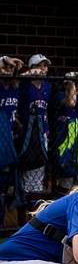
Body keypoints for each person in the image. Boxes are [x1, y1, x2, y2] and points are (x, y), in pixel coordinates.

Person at [18, 55, 52, 213]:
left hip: (42, 133)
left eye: (45, 66)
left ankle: (34, 209)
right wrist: (30, 72)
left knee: (39, 171)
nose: (43, 69)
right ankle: (23, 209)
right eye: (40, 66)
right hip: (27, 134)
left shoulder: (47, 86)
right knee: (26, 171)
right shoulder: (24, 85)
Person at [0, 56, 24, 225]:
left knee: (5, 184)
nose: (8, 71)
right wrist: (4, 60)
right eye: (5, 68)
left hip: (9, 139)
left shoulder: (14, 89)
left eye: (11, 69)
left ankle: (2, 221)